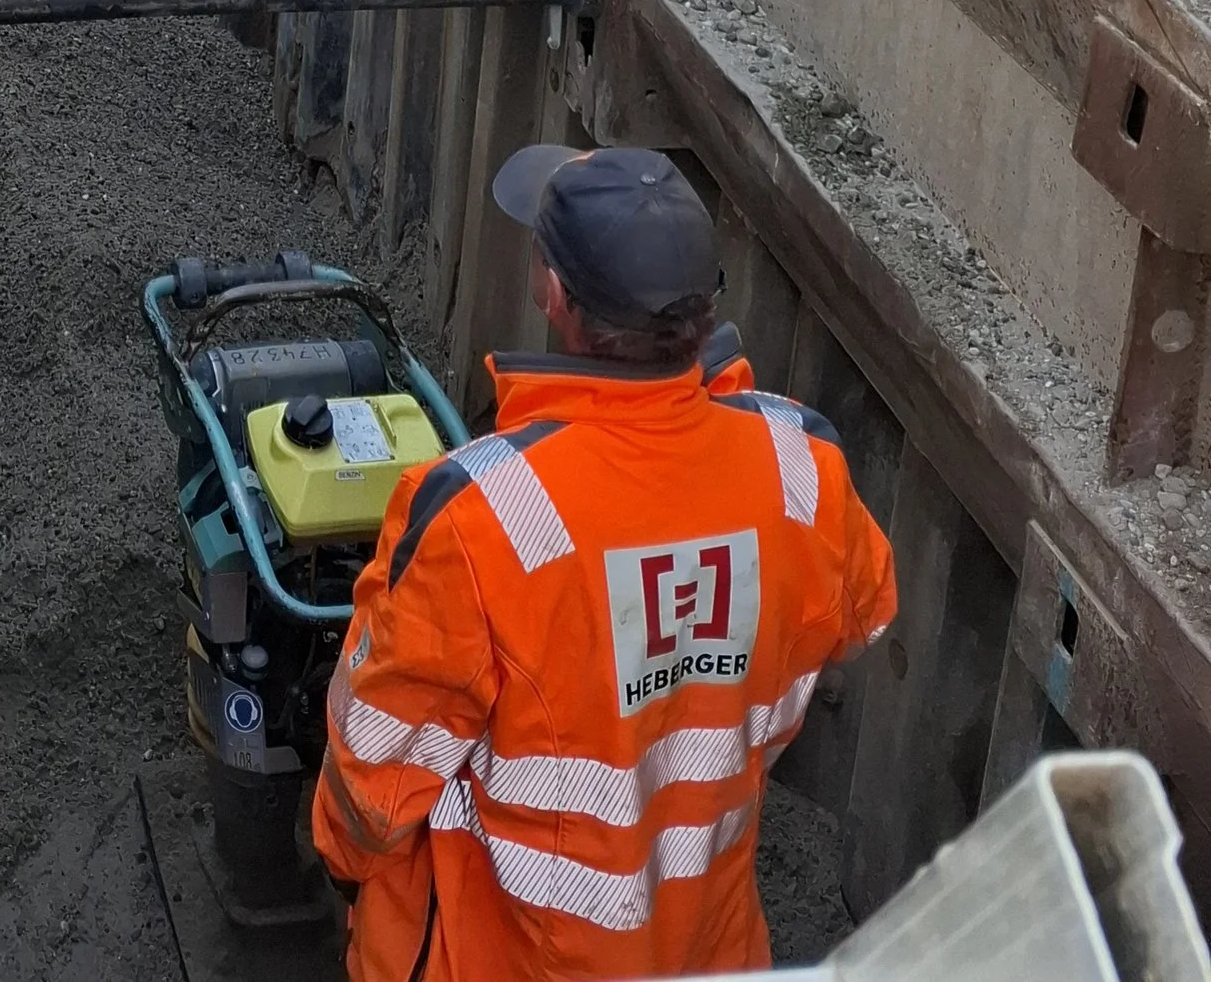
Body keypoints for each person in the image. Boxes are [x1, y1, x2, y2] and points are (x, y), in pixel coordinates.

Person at [313, 146, 896, 979]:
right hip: (708, 948)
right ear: (701, 305)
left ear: (551, 292)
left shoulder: (479, 519)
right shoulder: (801, 468)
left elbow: (372, 778)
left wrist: (341, 863)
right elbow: (862, 609)